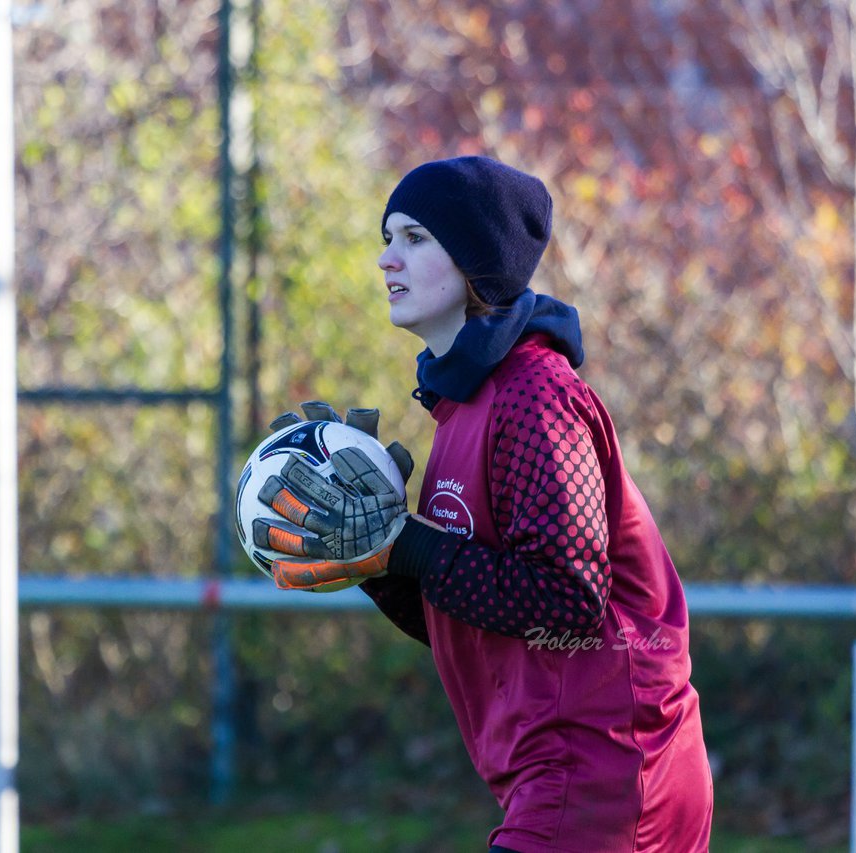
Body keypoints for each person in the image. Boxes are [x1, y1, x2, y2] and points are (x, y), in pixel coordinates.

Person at [253, 156, 713, 852]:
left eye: (414, 237)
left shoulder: (535, 397)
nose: (387, 259)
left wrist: (406, 544)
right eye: (388, 238)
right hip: (566, 770)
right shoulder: (464, 405)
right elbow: (478, 619)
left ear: (474, 259)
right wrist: (374, 559)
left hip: (609, 765)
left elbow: (566, 599)